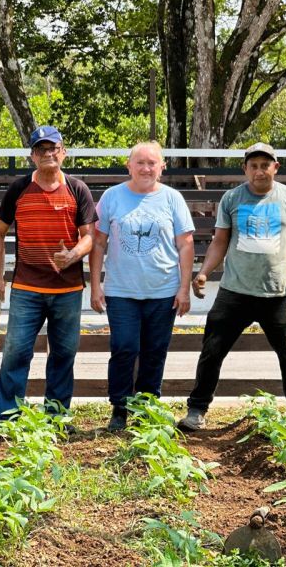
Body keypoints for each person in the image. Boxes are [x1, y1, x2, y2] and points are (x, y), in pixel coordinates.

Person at [177, 142, 286, 432]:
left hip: (278, 293)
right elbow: (219, 241)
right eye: (253, 165)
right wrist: (203, 272)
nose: (259, 171)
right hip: (234, 292)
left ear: (275, 168)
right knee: (212, 351)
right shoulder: (231, 199)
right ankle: (197, 410)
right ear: (245, 169)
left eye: (265, 165)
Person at [0, 126, 97, 422]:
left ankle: (56, 417)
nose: (48, 154)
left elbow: (90, 236)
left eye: (53, 148)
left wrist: (73, 254)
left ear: (63, 152)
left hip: (68, 290)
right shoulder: (19, 189)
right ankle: (7, 417)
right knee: (16, 353)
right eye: (41, 149)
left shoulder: (78, 189)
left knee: (63, 356)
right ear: (32, 156)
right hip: (27, 287)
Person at [89, 141, 195, 431]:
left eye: (152, 163)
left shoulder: (172, 199)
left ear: (162, 167)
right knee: (124, 347)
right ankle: (120, 407)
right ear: (129, 165)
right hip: (121, 291)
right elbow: (98, 243)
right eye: (140, 163)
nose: (146, 168)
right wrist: (95, 285)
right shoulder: (111, 197)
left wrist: (183, 288)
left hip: (163, 290)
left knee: (154, 350)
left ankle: (147, 405)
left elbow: (185, 245)